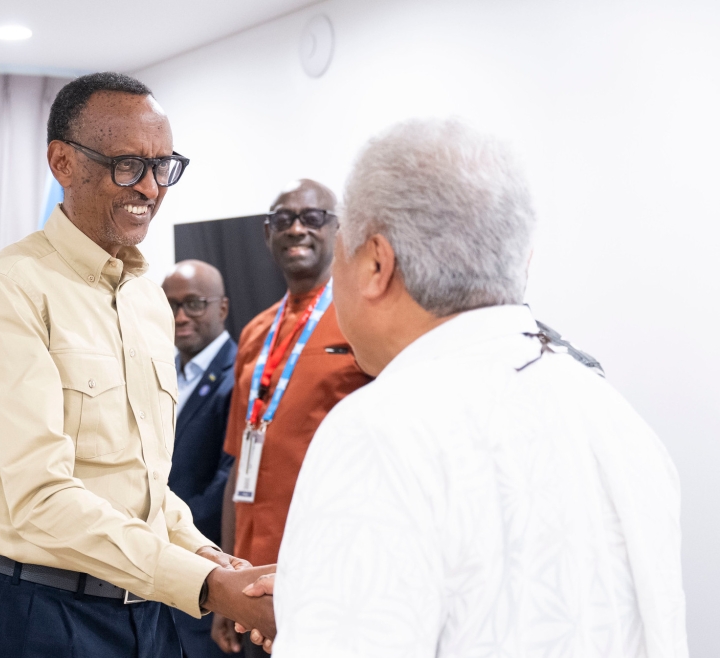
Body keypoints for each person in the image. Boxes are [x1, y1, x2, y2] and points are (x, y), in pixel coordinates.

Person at [242, 119, 688, 657]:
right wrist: (319, 596)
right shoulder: (616, 419)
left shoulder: (379, 432)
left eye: (339, 254)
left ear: (377, 264)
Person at [0, 72, 274, 658]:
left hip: (146, 609)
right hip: (36, 612)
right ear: (63, 162)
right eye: (128, 165)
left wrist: (212, 561)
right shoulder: (7, 290)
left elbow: (143, 485)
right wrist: (206, 586)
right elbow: (43, 499)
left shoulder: (148, 296)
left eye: (163, 166)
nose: (150, 187)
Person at [212, 179, 373, 657]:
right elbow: (237, 462)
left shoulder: (362, 323)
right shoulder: (254, 332)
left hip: (327, 575)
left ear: (339, 231)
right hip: (252, 577)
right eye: (283, 220)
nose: (296, 228)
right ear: (267, 234)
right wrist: (226, 581)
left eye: (312, 217)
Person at [162, 260, 242, 658]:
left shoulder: (239, 375)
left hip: (201, 566)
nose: (180, 317)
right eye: (170, 305)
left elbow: (228, 480)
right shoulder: (160, 372)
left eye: (193, 304)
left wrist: (168, 534)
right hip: (157, 573)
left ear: (222, 308)